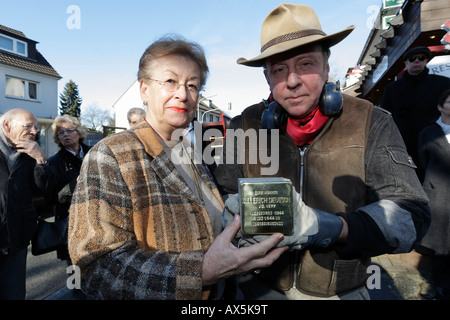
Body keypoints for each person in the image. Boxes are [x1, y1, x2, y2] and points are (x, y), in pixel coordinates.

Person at [214, 4, 431, 300]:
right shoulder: (243, 125)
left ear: (327, 68)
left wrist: (329, 227)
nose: (292, 81)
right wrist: (230, 213)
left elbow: (412, 216)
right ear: (268, 79)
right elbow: (220, 194)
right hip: (257, 289)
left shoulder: (372, 121)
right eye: (279, 70)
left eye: (305, 64)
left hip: (342, 290)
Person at [68, 35, 287, 300]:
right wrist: (201, 272)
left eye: (192, 85)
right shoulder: (110, 155)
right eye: (170, 81)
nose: (182, 94)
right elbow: (97, 268)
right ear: (144, 89)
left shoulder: (191, 152)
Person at [0, 108, 54, 299]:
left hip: (17, 238)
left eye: (36, 126)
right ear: (7, 125)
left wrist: (41, 160)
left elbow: (43, 190)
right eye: (28, 126)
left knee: (14, 293)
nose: (35, 131)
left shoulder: (31, 152)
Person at [381, 46, 450, 182]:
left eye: (421, 58)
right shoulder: (392, 89)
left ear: (426, 61)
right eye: (412, 59)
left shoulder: (442, 83)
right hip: (403, 144)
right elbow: (384, 116)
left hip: (434, 141)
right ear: (406, 63)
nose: (417, 61)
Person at [418, 89, 450, 300]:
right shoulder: (429, 131)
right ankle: (442, 287)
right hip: (439, 194)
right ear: (440, 106)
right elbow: (422, 160)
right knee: (441, 245)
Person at [46, 115, 90, 262]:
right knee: (75, 269)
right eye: (61, 132)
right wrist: (73, 185)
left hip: (98, 218)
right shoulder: (54, 163)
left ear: (79, 133)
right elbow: (52, 197)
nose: (65, 134)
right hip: (72, 224)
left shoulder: (94, 153)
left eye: (69, 130)